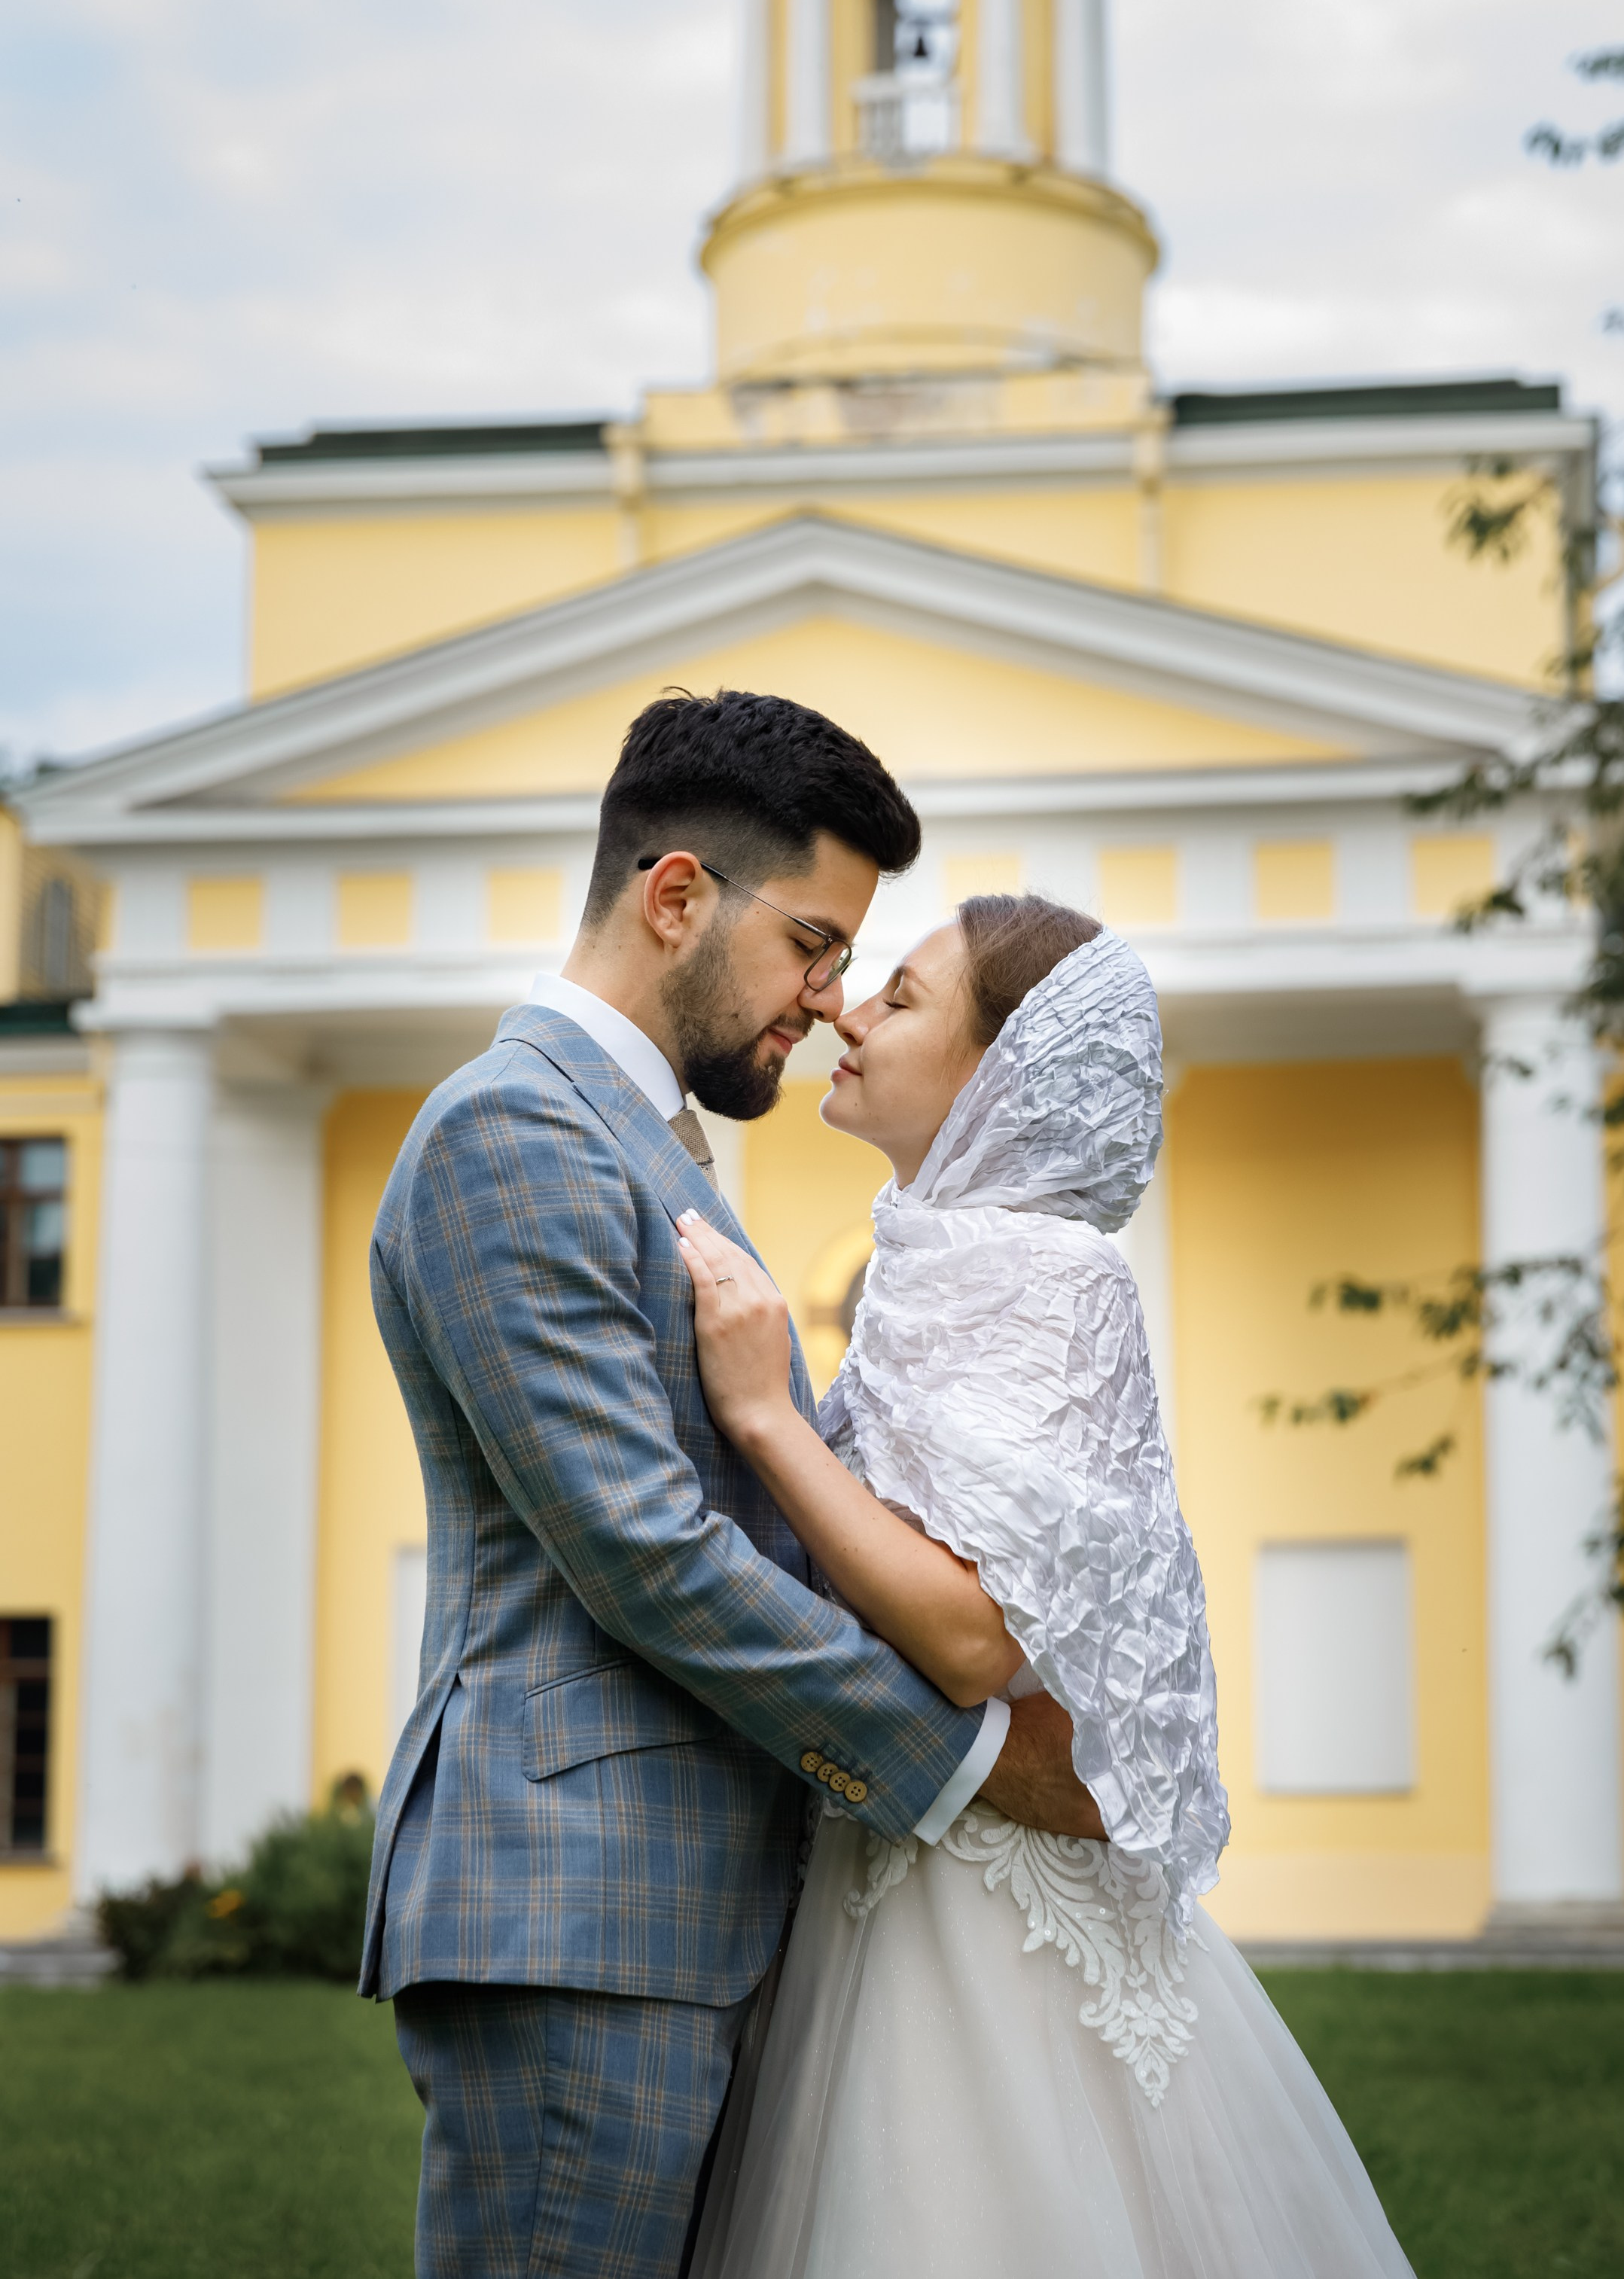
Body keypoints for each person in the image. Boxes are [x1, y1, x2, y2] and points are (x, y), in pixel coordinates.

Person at [359, 691, 1099, 2279]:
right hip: (577, 1916)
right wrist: (973, 1766)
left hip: (670, 1907)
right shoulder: (516, 1131)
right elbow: (647, 1551)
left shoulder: (643, 1144)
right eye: (815, 945)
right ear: (677, 894)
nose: (829, 1001)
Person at [677, 897, 1419, 2279]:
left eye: (898, 1000)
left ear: (996, 1069)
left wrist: (765, 1419)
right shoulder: (949, 1258)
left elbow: (969, 1638)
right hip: (900, 1847)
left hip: (981, 1906)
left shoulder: (1036, 1274)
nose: (845, 1011)